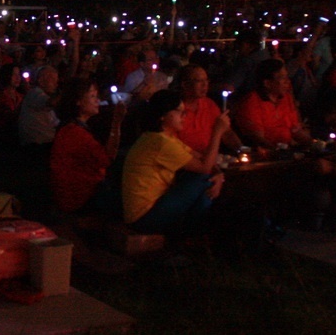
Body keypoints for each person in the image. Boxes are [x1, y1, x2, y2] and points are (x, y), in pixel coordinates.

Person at [121, 89, 231, 235]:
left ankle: (193, 234)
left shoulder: (167, 139)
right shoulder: (159, 142)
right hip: (144, 217)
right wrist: (217, 133)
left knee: (203, 184)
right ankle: (191, 235)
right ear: (163, 115)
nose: (184, 117)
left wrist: (219, 175)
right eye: (179, 112)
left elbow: (201, 159)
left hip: (157, 206)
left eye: (184, 112)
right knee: (201, 179)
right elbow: (205, 168)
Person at [50, 77, 125, 213]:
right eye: (92, 96)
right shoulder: (73, 132)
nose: (97, 100)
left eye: (97, 96)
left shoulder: (73, 128)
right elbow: (107, 159)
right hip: (81, 196)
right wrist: (117, 122)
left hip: (83, 191)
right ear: (78, 101)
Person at [234, 59, 313, 152]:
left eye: (287, 77)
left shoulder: (285, 98)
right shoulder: (251, 102)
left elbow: (295, 129)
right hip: (266, 154)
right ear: (267, 83)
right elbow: (258, 139)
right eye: (282, 78)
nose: (287, 82)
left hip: (287, 149)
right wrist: (278, 151)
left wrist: (312, 143)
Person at [175, 64, 241, 154]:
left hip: (210, 158)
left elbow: (226, 133)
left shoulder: (208, 104)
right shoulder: (174, 109)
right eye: (199, 81)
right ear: (185, 84)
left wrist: (242, 150)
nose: (205, 85)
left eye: (206, 80)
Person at [18, 64, 60, 147]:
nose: (56, 84)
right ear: (41, 81)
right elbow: (50, 102)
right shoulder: (34, 93)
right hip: (37, 146)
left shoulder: (44, 95)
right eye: (53, 80)